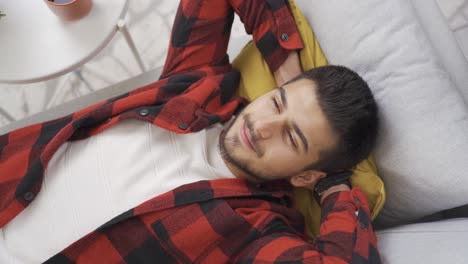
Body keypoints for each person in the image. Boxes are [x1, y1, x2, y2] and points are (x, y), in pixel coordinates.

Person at [0, 0, 380, 263]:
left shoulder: (254, 230)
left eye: (292, 137)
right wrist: (286, 67)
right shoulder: (199, 85)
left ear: (306, 174)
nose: (262, 126)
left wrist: (334, 190)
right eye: (277, 103)